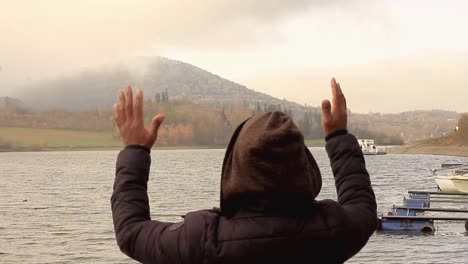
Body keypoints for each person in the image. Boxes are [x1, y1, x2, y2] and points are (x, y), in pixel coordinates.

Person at [111, 78, 378, 263]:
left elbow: (131, 232)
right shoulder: (332, 231)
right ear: (304, 167)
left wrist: (135, 150)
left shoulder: (203, 240)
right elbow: (361, 203)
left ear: (235, 166)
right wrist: (339, 136)